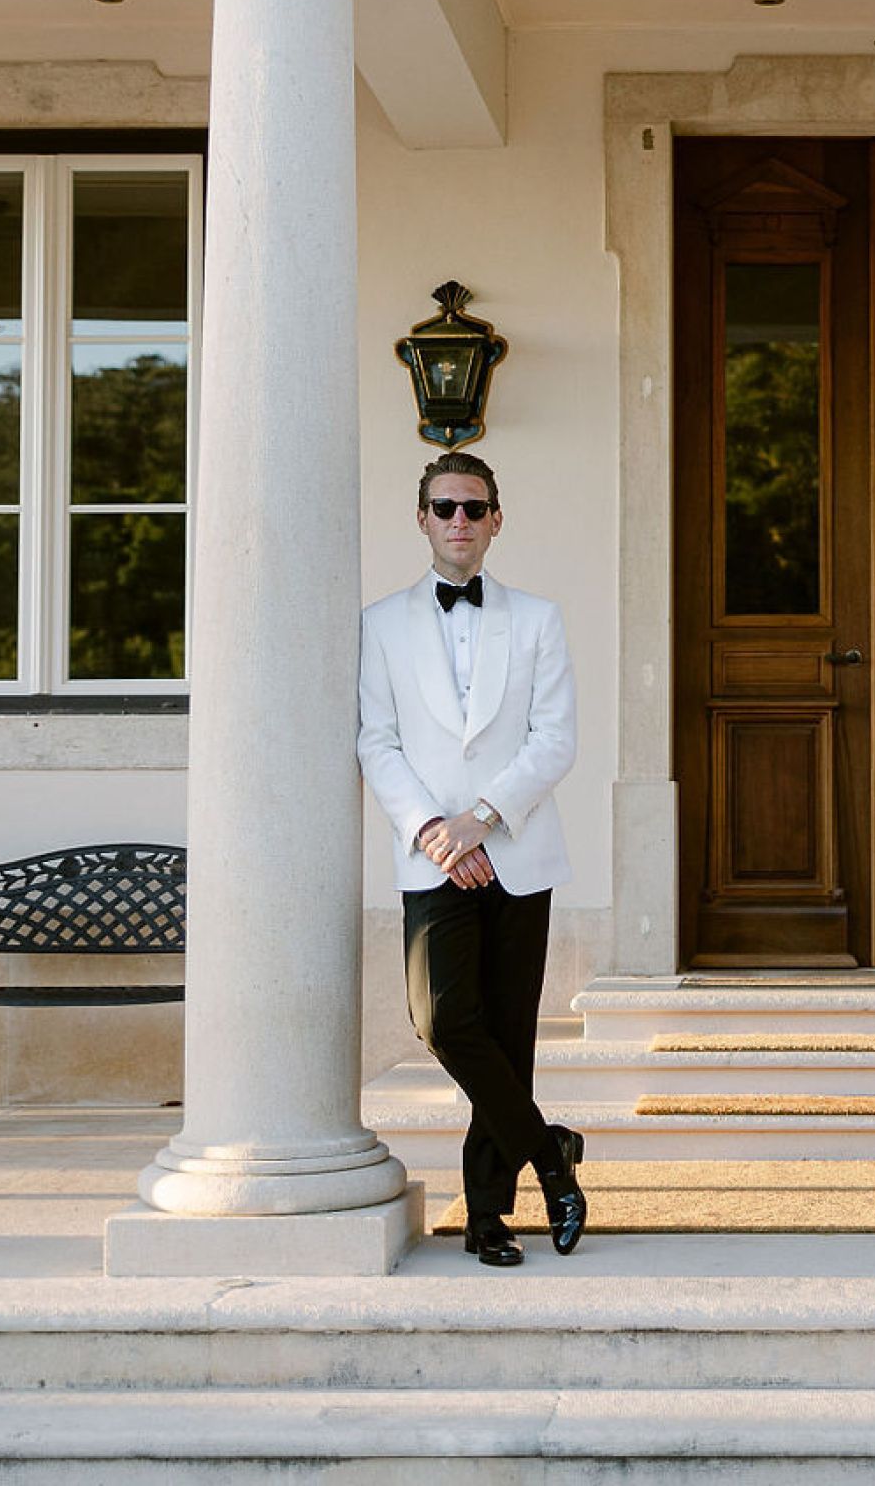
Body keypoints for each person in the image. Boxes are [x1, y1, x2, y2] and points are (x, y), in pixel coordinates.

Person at [358, 450, 586, 1268]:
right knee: (444, 1020)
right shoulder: (379, 625)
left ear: (497, 519)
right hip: (432, 858)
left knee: (506, 1033)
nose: (460, 521)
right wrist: (435, 834)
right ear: (420, 517)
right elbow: (376, 743)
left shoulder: (539, 619)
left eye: (474, 507)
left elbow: (554, 739)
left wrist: (481, 822)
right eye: (445, 507)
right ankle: (551, 1152)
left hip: (516, 850)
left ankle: (489, 1216)